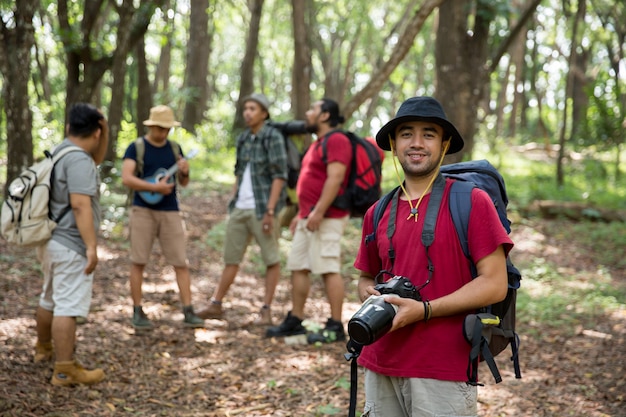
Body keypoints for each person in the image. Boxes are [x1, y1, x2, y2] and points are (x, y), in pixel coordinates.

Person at [353, 96, 514, 416]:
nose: (416, 143)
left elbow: (495, 284)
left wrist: (424, 310)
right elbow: (366, 277)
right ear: (394, 145)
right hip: (380, 361)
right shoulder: (377, 211)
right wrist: (370, 294)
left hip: (443, 368)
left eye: (428, 134)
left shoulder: (472, 201)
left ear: (444, 144)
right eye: (406, 133)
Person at [266, 98, 352, 344]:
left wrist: (319, 212)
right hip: (309, 217)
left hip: (328, 216)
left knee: (328, 267)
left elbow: (335, 178)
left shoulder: (337, 140)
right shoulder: (318, 144)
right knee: (298, 265)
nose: (307, 112)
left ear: (325, 115)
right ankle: (296, 319)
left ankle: (336, 325)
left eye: (312, 109)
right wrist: (302, 215)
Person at [34, 103, 108, 386]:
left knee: (49, 297)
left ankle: (44, 349)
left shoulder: (58, 151)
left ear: (69, 128)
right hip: (70, 242)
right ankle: (64, 370)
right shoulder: (78, 160)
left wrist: (103, 130)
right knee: (67, 305)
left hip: (51, 239)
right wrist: (91, 246)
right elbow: (80, 205)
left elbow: (97, 156)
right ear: (98, 131)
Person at [196, 93, 287, 325]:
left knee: (271, 259)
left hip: (263, 209)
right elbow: (239, 171)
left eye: (253, 108)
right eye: (245, 108)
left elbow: (279, 176)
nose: (247, 112)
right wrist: (234, 200)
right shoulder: (244, 138)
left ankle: (266, 310)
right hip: (240, 207)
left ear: (264, 113)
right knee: (231, 258)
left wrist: (270, 211)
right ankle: (216, 304)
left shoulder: (272, 136)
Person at [121, 105, 204, 329]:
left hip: (170, 211)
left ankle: (188, 310)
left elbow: (183, 183)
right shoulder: (136, 147)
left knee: (180, 262)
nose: (163, 133)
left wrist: (184, 171)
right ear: (151, 126)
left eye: (166, 129)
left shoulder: (175, 149)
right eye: (159, 128)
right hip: (142, 210)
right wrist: (154, 188)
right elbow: (126, 178)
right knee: (138, 261)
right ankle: (137, 311)